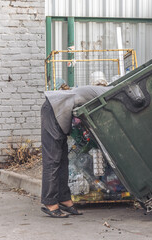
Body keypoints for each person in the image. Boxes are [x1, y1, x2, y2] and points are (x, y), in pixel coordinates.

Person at [40, 79, 111, 218]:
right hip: (54, 109)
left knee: (62, 161)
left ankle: (64, 199)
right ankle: (49, 202)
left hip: (59, 111)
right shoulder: (110, 94)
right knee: (53, 160)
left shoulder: (107, 92)